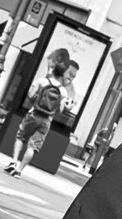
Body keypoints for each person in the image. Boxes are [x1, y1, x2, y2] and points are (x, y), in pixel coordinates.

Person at [5, 48, 78, 176]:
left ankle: (14, 161)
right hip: (46, 121)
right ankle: (19, 170)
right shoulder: (63, 91)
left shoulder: (42, 81)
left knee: (21, 137)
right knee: (32, 147)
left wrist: (37, 99)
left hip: (33, 114)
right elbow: (60, 110)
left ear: (53, 70)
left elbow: (30, 96)